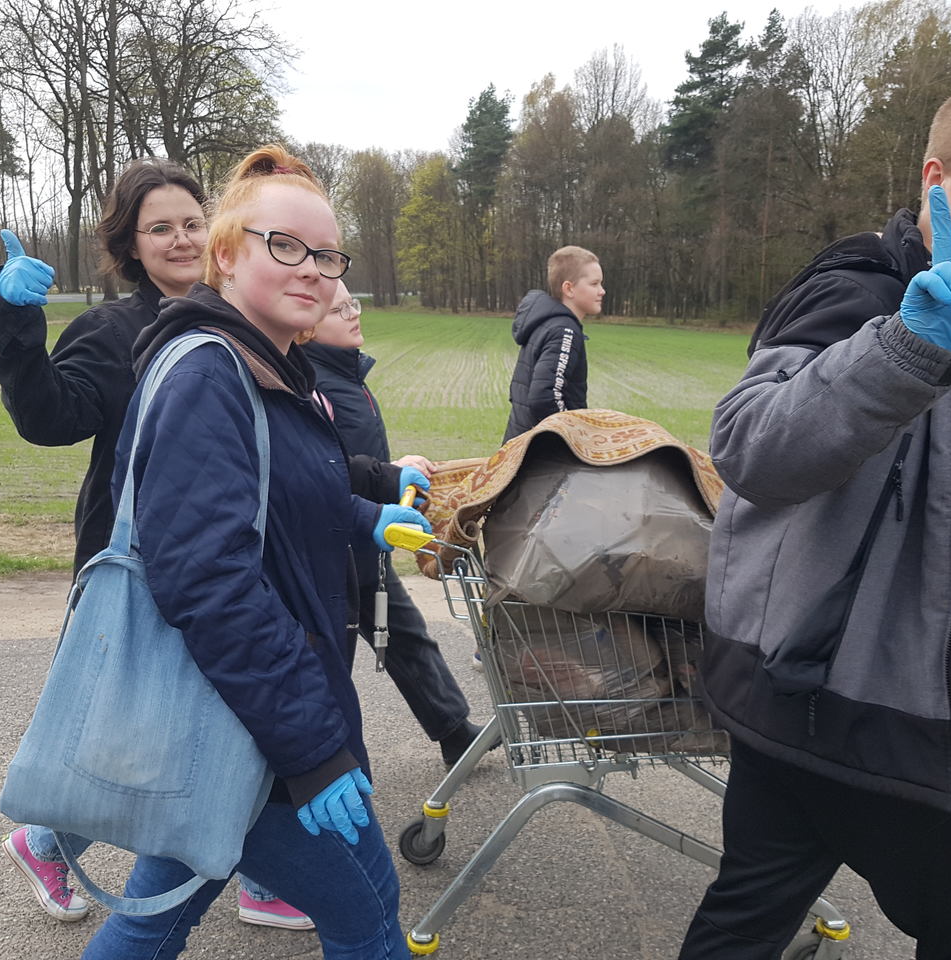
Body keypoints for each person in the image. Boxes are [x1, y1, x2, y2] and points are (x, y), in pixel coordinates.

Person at [680, 44, 951, 960]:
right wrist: (907, 344)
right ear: (937, 176)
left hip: (784, 690)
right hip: (860, 703)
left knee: (747, 917)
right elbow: (752, 446)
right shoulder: (864, 291)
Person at [77, 144, 422, 959]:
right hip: (244, 723)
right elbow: (210, 582)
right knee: (368, 912)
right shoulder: (213, 374)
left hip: (239, 713)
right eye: (286, 246)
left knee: (155, 919)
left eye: (329, 256)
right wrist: (309, 751)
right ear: (226, 256)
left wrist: (365, 508)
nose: (314, 272)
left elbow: (285, 489)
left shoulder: (272, 364)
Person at [0, 159, 309, 930]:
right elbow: (49, 418)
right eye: (159, 228)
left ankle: (254, 863)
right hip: (144, 563)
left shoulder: (240, 317)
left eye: (192, 222)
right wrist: (12, 321)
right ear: (131, 245)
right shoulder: (114, 330)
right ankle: (48, 840)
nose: (181, 238)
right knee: (139, 729)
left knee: (233, 712)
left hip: (237, 553)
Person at [302, 281, 488, 767]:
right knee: (329, 658)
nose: (353, 313)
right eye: (338, 308)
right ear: (308, 325)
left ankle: (455, 733)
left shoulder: (346, 376)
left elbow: (354, 460)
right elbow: (324, 471)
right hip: (338, 548)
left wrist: (394, 468)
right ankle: (320, 762)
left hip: (366, 543)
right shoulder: (316, 383)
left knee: (406, 636)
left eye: (353, 302)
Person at [502, 245, 604, 443]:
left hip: (522, 442)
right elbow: (545, 397)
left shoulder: (548, 323)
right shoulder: (564, 331)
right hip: (540, 455)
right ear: (569, 288)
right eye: (594, 284)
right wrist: (575, 436)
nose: (602, 291)